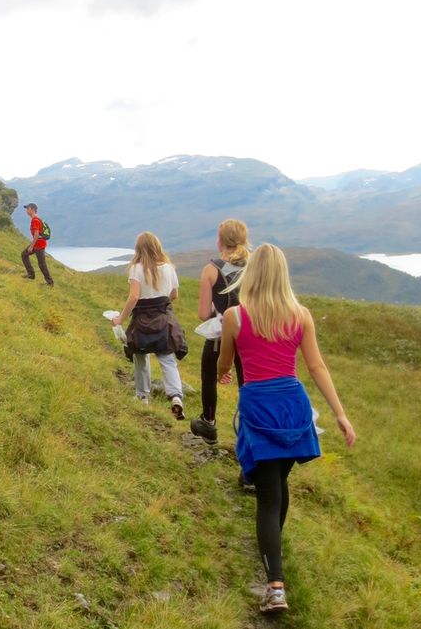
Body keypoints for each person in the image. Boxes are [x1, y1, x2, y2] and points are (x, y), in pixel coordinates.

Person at [216, 243, 356, 614]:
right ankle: (273, 553)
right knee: (279, 486)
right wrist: (339, 414)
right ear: (283, 275)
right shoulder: (301, 315)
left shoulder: (235, 317)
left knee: (268, 496)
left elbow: (225, 362)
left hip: (259, 406)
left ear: (253, 274)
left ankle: (275, 585)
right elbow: (317, 367)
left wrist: (222, 373)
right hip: (294, 408)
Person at [112, 232, 188, 420]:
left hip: (142, 319)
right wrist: (161, 302)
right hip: (163, 318)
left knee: (141, 356)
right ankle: (176, 397)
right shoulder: (169, 268)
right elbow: (174, 294)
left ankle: (142, 396)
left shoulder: (136, 269)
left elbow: (134, 296)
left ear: (138, 249)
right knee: (168, 359)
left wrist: (120, 318)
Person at [191, 219, 250, 446]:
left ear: (221, 240)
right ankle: (248, 435)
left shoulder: (211, 269)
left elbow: (203, 313)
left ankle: (209, 422)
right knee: (247, 384)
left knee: (209, 374)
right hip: (250, 334)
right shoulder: (253, 267)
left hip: (220, 334)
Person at [21, 203, 54, 285]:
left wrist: (32, 246)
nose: (26, 210)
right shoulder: (37, 219)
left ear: (32, 209)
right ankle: (31, 274)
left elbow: (36, 234)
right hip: (39, 243)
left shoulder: (35, 220)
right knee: (24, 254)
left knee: (42, 264)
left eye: (27, 209)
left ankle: (50, 282)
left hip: (39, 245)